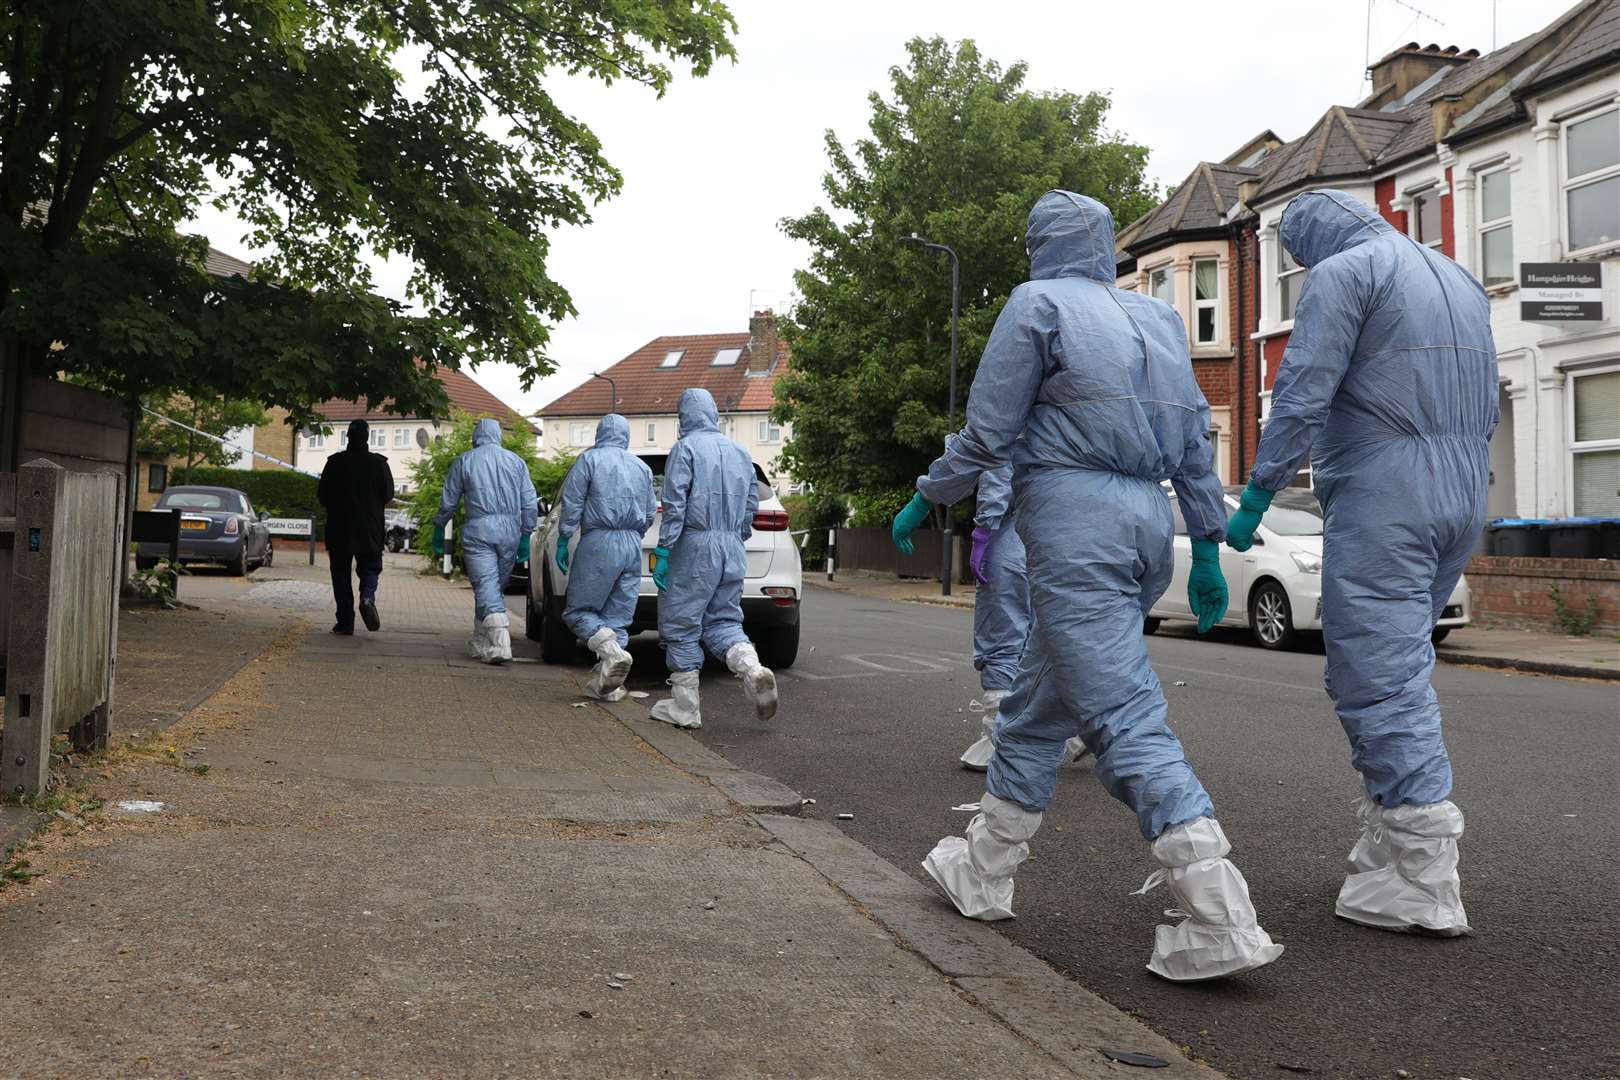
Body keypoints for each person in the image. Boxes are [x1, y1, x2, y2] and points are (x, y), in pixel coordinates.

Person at [895, 190, 1281, 982]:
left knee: (1121, 713)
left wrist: (929, 494)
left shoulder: (1036, 305)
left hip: (1077, 523)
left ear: (1041, 243)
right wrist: (1206, 544)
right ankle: (982, 867)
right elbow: (1192, 443)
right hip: (1148, 527)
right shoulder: (1158, 318)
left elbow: (992, 430)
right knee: (1040, 710)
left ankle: (1219, 914)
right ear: (1106, 244)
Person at [1225, 189, 1496, 937]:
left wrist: (1257, 494)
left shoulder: (1347, 275)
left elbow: (1303, 392)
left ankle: (1421, 875)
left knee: (1376, 676)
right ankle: (1388, 840)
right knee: (1402, 662)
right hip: (1463, 489)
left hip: (1388, 489)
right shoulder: (1455, 277)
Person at [647, 388, 777, 729]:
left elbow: (675, 504)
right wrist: (734, 539)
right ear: (714, 414)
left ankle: (685, 708)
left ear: (685, 417)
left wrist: (664, 550)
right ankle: (753, 669)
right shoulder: (739, 452)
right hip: (732, 545)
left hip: (695, 545)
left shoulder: (685, 448)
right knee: (723, 621)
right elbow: (751, 505)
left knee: (682, 623)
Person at [951, 462, 1086, 772]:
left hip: (1013, 536)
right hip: (1065, 535)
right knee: (1056, 635)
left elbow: (995, 463)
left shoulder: (1011, 417)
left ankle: (1001, 735)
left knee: (1003, 633)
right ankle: (1086, 723)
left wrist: (984, 528)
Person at [555, 414, 657, 700]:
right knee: (618, 616)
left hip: (600, 541)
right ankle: (610, 687)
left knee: (578, 612)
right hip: (632, 545)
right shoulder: (641, 467)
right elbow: (650, 512)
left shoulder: (590, 460)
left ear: (599, 433)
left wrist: (564, 537)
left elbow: (573, 501)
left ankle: (611, 653)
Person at [434, 417, 538, 665]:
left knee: (485, 586)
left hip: (479, 529)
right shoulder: (516, 462)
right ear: (499, 435)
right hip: (510, 531)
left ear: (476, 436)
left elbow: (449, 500)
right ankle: (481, 642)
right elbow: (529, 501)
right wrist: (526, 533)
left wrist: (439, 526)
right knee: (492, 587)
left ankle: (501, 642)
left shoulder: (465, 461)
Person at [317, 418, 395, 636]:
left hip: (339, 529)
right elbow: (389, 494)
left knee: (340, 574)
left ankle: (345, 621)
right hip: (370, 529)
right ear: (367, 437)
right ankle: (367, 597)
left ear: (348, 437)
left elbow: (322, 496)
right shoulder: (379, 463)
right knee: (370, 568)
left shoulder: (334, 462)